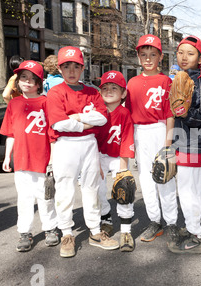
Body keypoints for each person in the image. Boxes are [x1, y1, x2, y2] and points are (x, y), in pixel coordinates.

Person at [46, 46, 118, 258]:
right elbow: (59, 124)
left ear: (82, 68)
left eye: (75, 66)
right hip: (65, 145)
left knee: (91, 187)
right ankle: (66, 233)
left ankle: (95, 231)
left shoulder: (92, 92)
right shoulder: (56, 92)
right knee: (65, 188)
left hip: (88, 144)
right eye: (66, 66)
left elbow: (102, 118)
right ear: (60, 69)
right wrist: (85, 123)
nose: (71, 71)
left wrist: (76, 118)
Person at [0, 60, 58, 252]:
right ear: (18, 80)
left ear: (40, 83)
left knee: (45, 196)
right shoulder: (14, 103)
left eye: (33, 79)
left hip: (43, 159)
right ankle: (25, 232)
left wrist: (53, 159)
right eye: (23, 77)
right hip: (22, 160)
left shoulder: (47, 102)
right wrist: (7, 157)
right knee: (24, 198)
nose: (27, 81)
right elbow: (11, 134)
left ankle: (50, 228)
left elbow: (53, 134)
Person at [124, 34, 179, 243]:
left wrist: (167, 144)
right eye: (143, 54)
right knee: (147, 180)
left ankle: (172, 222)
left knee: (165, 176)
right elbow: (128, 116)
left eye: (152, 54)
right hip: (140, 132)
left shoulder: (166, 81)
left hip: (159, 130)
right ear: (138, 57)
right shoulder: (133, 82)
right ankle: (155, 221)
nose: (148, 59)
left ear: (160, 57)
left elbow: (169, 114)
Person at [167, 35, 201, 254]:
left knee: (186, 191)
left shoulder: (198, 80)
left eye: (190, 53)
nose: (184, 57)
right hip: (188, 140)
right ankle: (198, 223)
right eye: (180, 52)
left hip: (191, 141)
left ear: (200, 58)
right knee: (193, 189)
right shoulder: (181, 76)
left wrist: (186, 113)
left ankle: (195, 236)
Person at [96, 70, 136, 252]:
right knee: (96, 188)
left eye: (114, 88)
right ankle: (106, 218)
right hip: (99, 157)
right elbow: (91, 140)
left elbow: (127, 140)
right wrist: (95, 162)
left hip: (118, 157)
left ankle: (126, 230)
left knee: (124, 187)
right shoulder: (97, 113)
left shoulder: (124, 113)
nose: (109, 90)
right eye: (105, 87)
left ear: (123, 93)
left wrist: (123, 168)